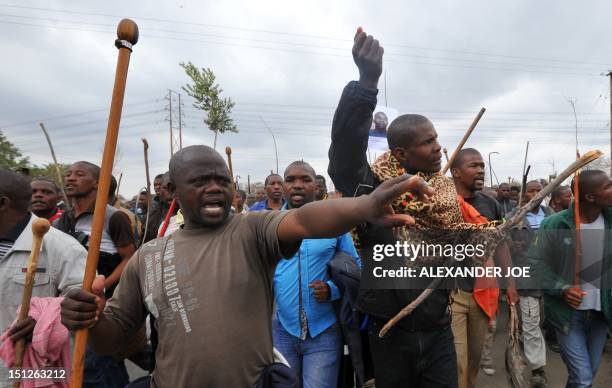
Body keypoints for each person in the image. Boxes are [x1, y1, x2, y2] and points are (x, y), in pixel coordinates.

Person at [59, 145, 432, 387]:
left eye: (222, 180)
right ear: (173, 189)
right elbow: (115, 340)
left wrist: (363, 207)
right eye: (200, 181)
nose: (215, 188)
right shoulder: (148, 256)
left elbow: (305, 220)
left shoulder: (251, 229)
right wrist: (89, 320)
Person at [327, 27, 517, 388]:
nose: (437, 147)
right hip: (390, 330)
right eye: (428, 141)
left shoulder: (445, 192)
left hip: (438, 325)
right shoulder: (375, 189)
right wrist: (366, 85)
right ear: (401, 153)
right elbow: (343, 158)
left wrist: (488, 236)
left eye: (437, 139)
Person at [273, 161, 361, 388]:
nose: (297, 185)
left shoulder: (335, 224)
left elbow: (355, 269)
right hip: (281, 330)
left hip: (323, 331)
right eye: (291, 180)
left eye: (305, 180)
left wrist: (332, 290)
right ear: (284, 186)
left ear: (316, 186)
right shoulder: (269, 225)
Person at [0, 168, 87, 384]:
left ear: (2, 203)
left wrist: (45, 321)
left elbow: (89, 305)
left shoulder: (63, 248)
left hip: (30, 373)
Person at [55, 161, 137, 388]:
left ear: (97, 183)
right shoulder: (64, 218)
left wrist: (99, 288)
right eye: (68, 174)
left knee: (101, 368)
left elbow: (130, 258)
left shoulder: (113, 217)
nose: (70, 178)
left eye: (79, 175)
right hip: (69, 307)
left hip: (102, 307)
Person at [529, 169, 612, 387]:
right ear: (590, 197)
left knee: (585, 376)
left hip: (601, 314)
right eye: (608, 187)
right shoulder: (555, 224)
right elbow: (535, 265)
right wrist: (563, 289)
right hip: (568, 316)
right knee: (583, 378)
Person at [450, 148, 505, 388]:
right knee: (457, 359)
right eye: (474, 165)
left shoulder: (491, 204)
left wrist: (511, 285)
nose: (481, 170)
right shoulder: (442, 202)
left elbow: (501, 245)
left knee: (473, 359)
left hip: (483, 290)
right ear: (456, 172)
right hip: (452, 293)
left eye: (482, 165)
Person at [507, 179, 555, 387]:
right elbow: (500, 244)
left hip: (553, 278)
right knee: (531, 323)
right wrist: (511, 245)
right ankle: (538, 369)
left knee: (550, 320)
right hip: (526, 279)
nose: (535, 194)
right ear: (524, 194)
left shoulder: (553, 217)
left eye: (539, 190)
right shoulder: (514, 217)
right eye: (531, 191)